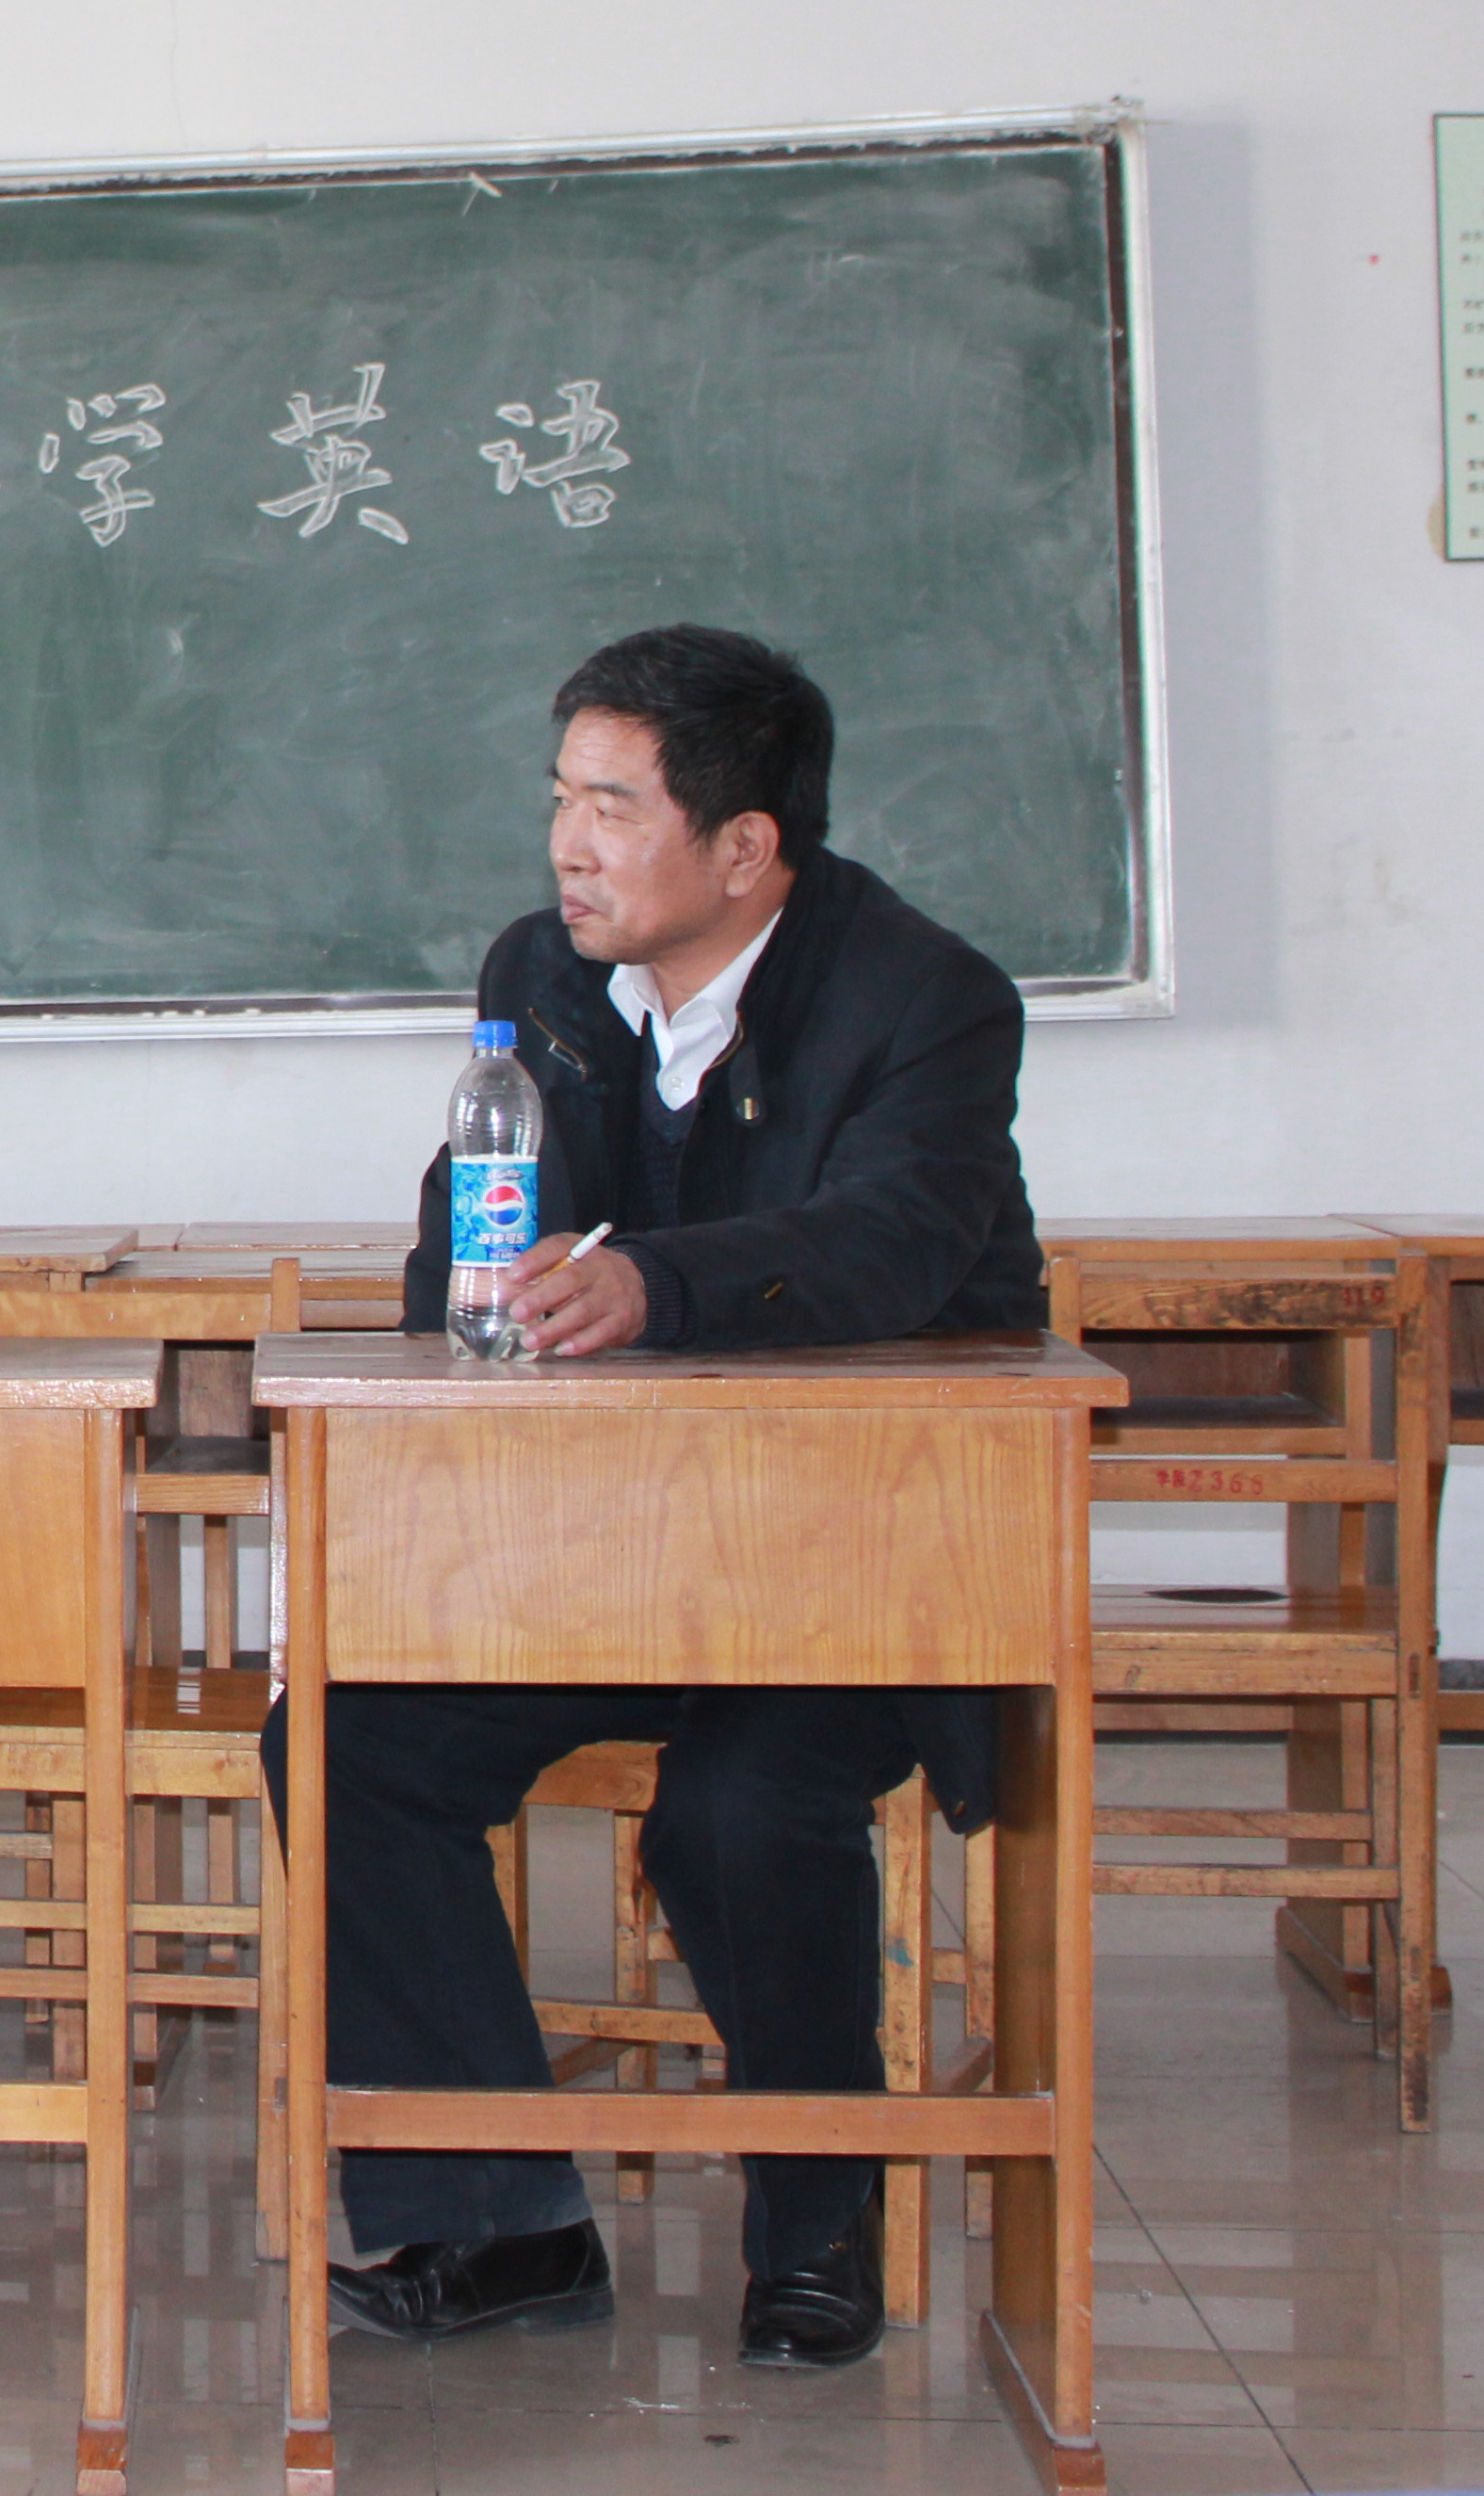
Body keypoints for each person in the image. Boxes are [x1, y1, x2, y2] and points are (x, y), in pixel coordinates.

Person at [282, 625, 1045, 2370]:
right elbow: (458, 1233)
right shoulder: (541, 976)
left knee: (740, 1808)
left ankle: (816, 2228)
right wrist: (480, 1297)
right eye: (562, 799)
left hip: (857, 1566)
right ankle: (497, 2224)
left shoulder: (925, 998)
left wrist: (652, 1285)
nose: (569, 846)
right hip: (603, 1555)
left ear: (746, 846)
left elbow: (895, 1245)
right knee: (342, 1741)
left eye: (614, 808)